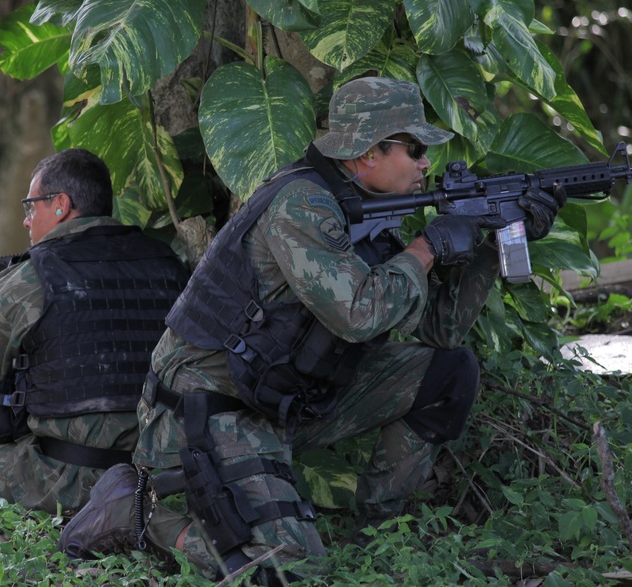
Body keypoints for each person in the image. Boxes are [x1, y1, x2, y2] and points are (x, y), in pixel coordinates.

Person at [57, 78, 565, 580]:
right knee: (287, 571)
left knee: (447, 374)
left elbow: (440, 329)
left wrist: (486, 242)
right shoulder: (301, 202)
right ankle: (141, 515)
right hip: (210, 408)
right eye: (413, 149)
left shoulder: (364, 208)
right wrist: (426, 249)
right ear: (369, 153)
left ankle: (377, 534)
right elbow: (358, 312)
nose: (425, 163)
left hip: (284, 397)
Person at [0, 148, 189, 514]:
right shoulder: (170, 264)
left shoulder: (25, 280)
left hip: (67, 481)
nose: (26, 221)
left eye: (31, 207)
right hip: (158, 477)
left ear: (61, 205)